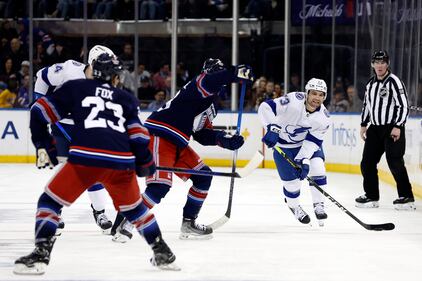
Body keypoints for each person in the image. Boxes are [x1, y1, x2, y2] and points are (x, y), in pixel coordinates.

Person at [13, 54, 179, 275]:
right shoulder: (127, 98)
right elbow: (139, 136)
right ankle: (163, 252)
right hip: (121, 162)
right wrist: (145, 163)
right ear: (115, 77)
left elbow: (38, 111)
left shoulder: (76, 88)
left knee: (50, 201)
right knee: (136, 210)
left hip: (86, 158)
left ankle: (41, 254)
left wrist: (44, 145)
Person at [113, 58, 254, 241]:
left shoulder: (210, 105)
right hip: (160, 135)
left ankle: (188, 224)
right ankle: (128, 222)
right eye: (216, 74)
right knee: (159, 187)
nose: (217, 79)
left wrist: (225, 141)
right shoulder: (199, 83)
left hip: (178, 143)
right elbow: (212, 80)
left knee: (203, 177)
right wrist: (234, 73)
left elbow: (202, 134)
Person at [33, 45, 117, 233]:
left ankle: (99, 212)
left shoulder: (106, 81)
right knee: (64, 168)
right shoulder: (69, 69)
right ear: (94, 62)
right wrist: (40, 98)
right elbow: (42, 76)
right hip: (62, 124)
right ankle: (55, 211)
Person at [258, 78, 331, 225]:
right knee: (292, 185)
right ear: (307, 93)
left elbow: (313, 142)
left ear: (325, 96)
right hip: (283, 146)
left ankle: (319, 204)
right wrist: (272, 128)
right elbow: (265, 107)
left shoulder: (324, 118)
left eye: (321, 94)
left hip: (304, 144)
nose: (317, 98)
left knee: (317, 167)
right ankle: (294, 206)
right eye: (314, 93)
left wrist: (303, 159)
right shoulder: (292, 100)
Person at [355, 50, 415, 210]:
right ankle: (371, 196)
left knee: (394, 161)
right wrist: (363, 124)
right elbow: (367, 105)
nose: (380, 65)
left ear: (387, 64)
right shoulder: (370, 84)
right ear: (372, 64)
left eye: (383, 62)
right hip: (374, 129)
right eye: (377, 62)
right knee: (367, 163)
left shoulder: (394, 81)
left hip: (392, 128)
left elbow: (403, 105)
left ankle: (407, 197)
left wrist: (398, 126)